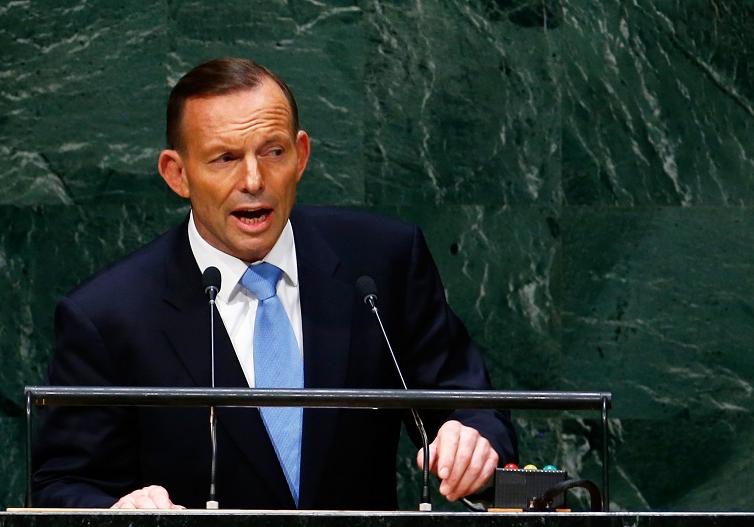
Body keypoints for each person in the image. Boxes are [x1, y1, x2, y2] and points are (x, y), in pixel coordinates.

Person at [32, 57, 518, 510]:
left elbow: (470, 403)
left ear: (301, 155)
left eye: (273, 152)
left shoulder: (381, 263)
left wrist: (472, 437)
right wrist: (119, 511)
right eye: (224, 158)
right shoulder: (108, 314)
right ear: (177, 174)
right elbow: (63, 485)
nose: (253, 179)